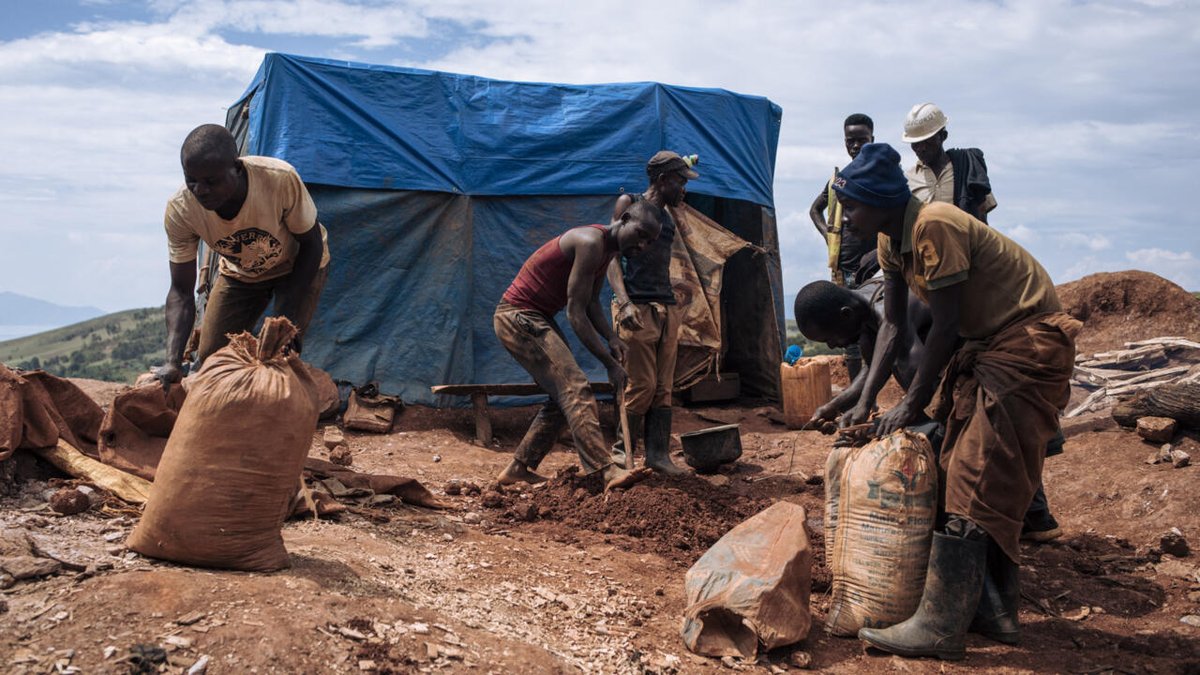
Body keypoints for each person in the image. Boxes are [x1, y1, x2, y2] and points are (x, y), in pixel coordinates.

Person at [831, 143, 1079, 660]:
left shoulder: (933, 224)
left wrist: (910, 403)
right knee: (950, 463)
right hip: (989, 344)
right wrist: (863, 397)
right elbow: (894, 326)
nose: (844, 218)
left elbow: (943, 328)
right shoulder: (889, 241)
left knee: (975, 472)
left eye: (850, 206)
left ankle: (942, 627)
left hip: (1026, 342)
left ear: (879, 201)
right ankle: (994, 610)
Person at [794, 279, 1065, 541]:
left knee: (990, 442)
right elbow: (873, 367)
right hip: (945, 377)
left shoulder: (893, 310)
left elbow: (921, 391)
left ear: (845, 314)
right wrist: (835, 406)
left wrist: (885, 423)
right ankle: (1020, 520)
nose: (832, 346)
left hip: (986, 365)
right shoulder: (860, 309)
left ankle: (1024, 521)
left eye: (830, 338)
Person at [494, 201, 663, 491]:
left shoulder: (606, 251)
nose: (643, 245)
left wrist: (611, 338)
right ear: (623, 219)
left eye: (650, 241)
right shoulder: (589, 242)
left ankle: (518, 469)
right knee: (575, 388)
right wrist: (609, 363)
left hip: (535, 317)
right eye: (641, 234)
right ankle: (604, 470)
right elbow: (575, 313)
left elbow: (592, 302)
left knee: (563, 397)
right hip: (518, 316)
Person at [154, 124, 329, 387]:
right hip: (241, 274)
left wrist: (284, 317)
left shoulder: (278, 179)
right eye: (191, 180)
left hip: (299, 264)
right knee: (212, 357)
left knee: (280, 353)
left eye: (211, 181)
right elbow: (180, 290)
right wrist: (172, 361)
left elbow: (311, 245)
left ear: (236, 168)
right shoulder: (181, 210)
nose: (200, 190)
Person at [606, 151, 698, 476]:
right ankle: (622, 457)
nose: (684, 189)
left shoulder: (668, 219)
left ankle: (658, 456)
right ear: (662, 181)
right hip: (636, 308)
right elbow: (611, 256)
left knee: (663, 387)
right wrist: (625, 301)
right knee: (640, 386)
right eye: (680, 182)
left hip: (664, 308)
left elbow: (654, 265)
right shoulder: (628, 204)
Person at [809, 114, 876, 379]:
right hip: (846, 267)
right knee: (849, 332)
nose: (856, 146)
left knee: (879, 326)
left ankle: (873, 391)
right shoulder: (838, 180)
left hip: (877, 267)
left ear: (873, 139)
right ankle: (856, 393)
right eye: (851, 141)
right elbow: (815, 210)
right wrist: (828, 234)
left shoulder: (879, 175)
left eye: (862, 140)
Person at [902, 103, 997, 222]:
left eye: (927, 141)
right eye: (915, 143)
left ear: (943, 136)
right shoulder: (907, 181)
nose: (921, 148)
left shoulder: (969, 170)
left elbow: (982, 217)